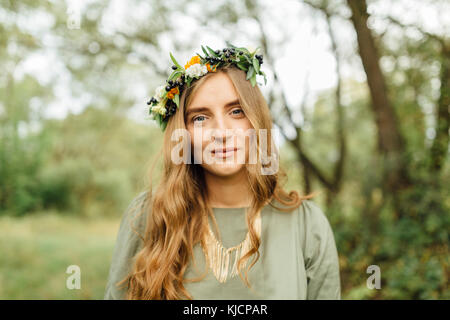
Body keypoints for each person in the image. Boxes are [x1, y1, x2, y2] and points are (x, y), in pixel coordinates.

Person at [104, 44, 341, 300]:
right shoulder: (147, 216)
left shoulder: (306, 225)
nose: (221, 132)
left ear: (257, 119)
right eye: (200, 118)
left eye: (236, 111)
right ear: (183, 135)